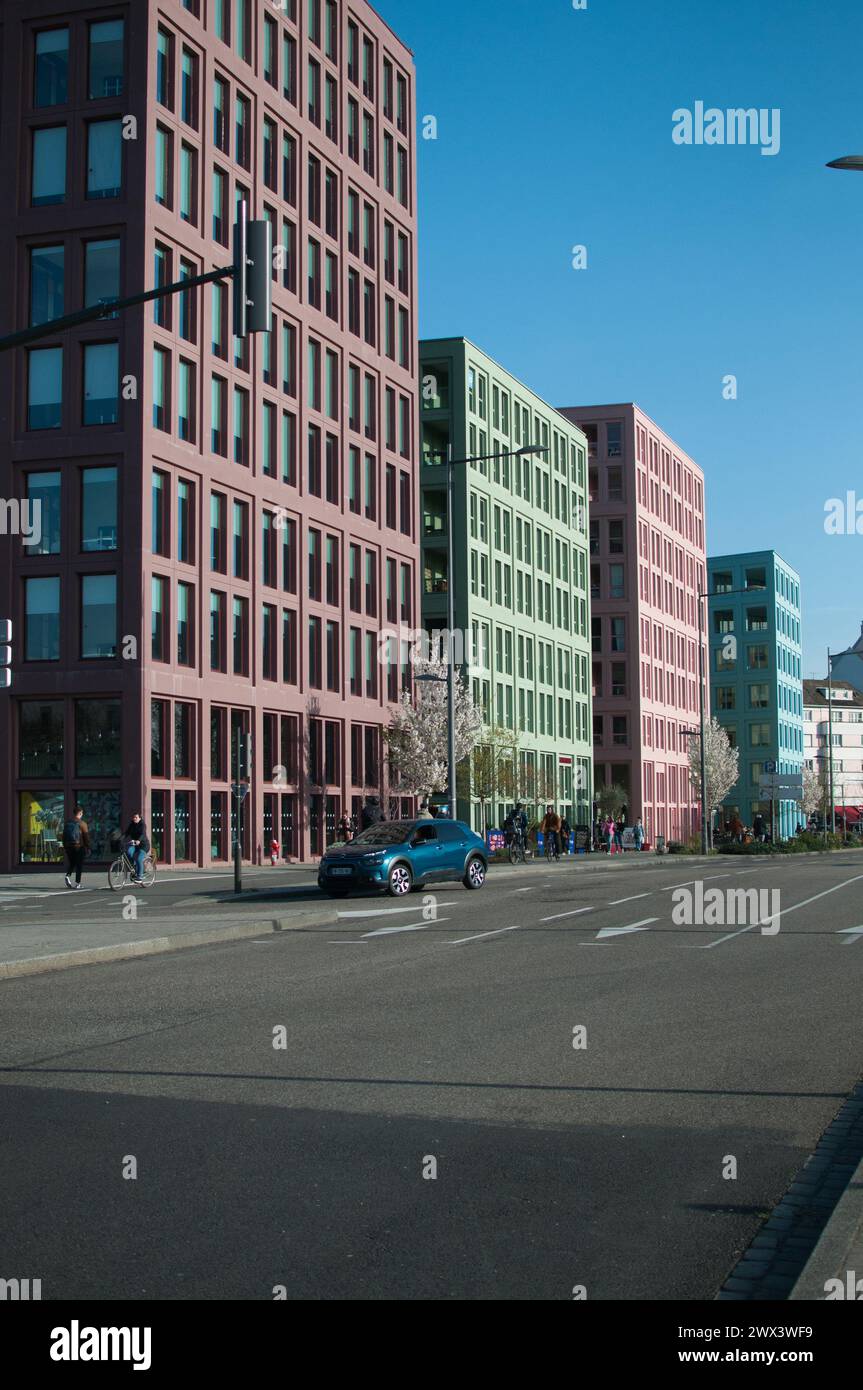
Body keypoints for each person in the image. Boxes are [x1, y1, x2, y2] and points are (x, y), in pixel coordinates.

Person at [63, 805, 89, 889]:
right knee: (79, 865)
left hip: (68, 847)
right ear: (81, 813)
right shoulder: (82, 823)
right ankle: (78, 883)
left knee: (72, 862)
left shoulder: (67, 823)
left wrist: (65, 846)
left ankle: (68, 875)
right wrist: (88, 847)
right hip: (79, 847)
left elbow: (63, 836)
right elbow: (86, 837)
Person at [124, 812, 150, 884]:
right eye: (133, 817)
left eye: (136, 817)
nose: (134, 818)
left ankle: (139, 877)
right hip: (135, 845)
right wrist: (119, 839)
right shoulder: (132, 825)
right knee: (129, 852)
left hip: (144, 845)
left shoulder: (142, 825)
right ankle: (135, 868)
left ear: (140, 818)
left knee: (139, 859)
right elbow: (126, 833)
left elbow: (143, 834)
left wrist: (139, 840)